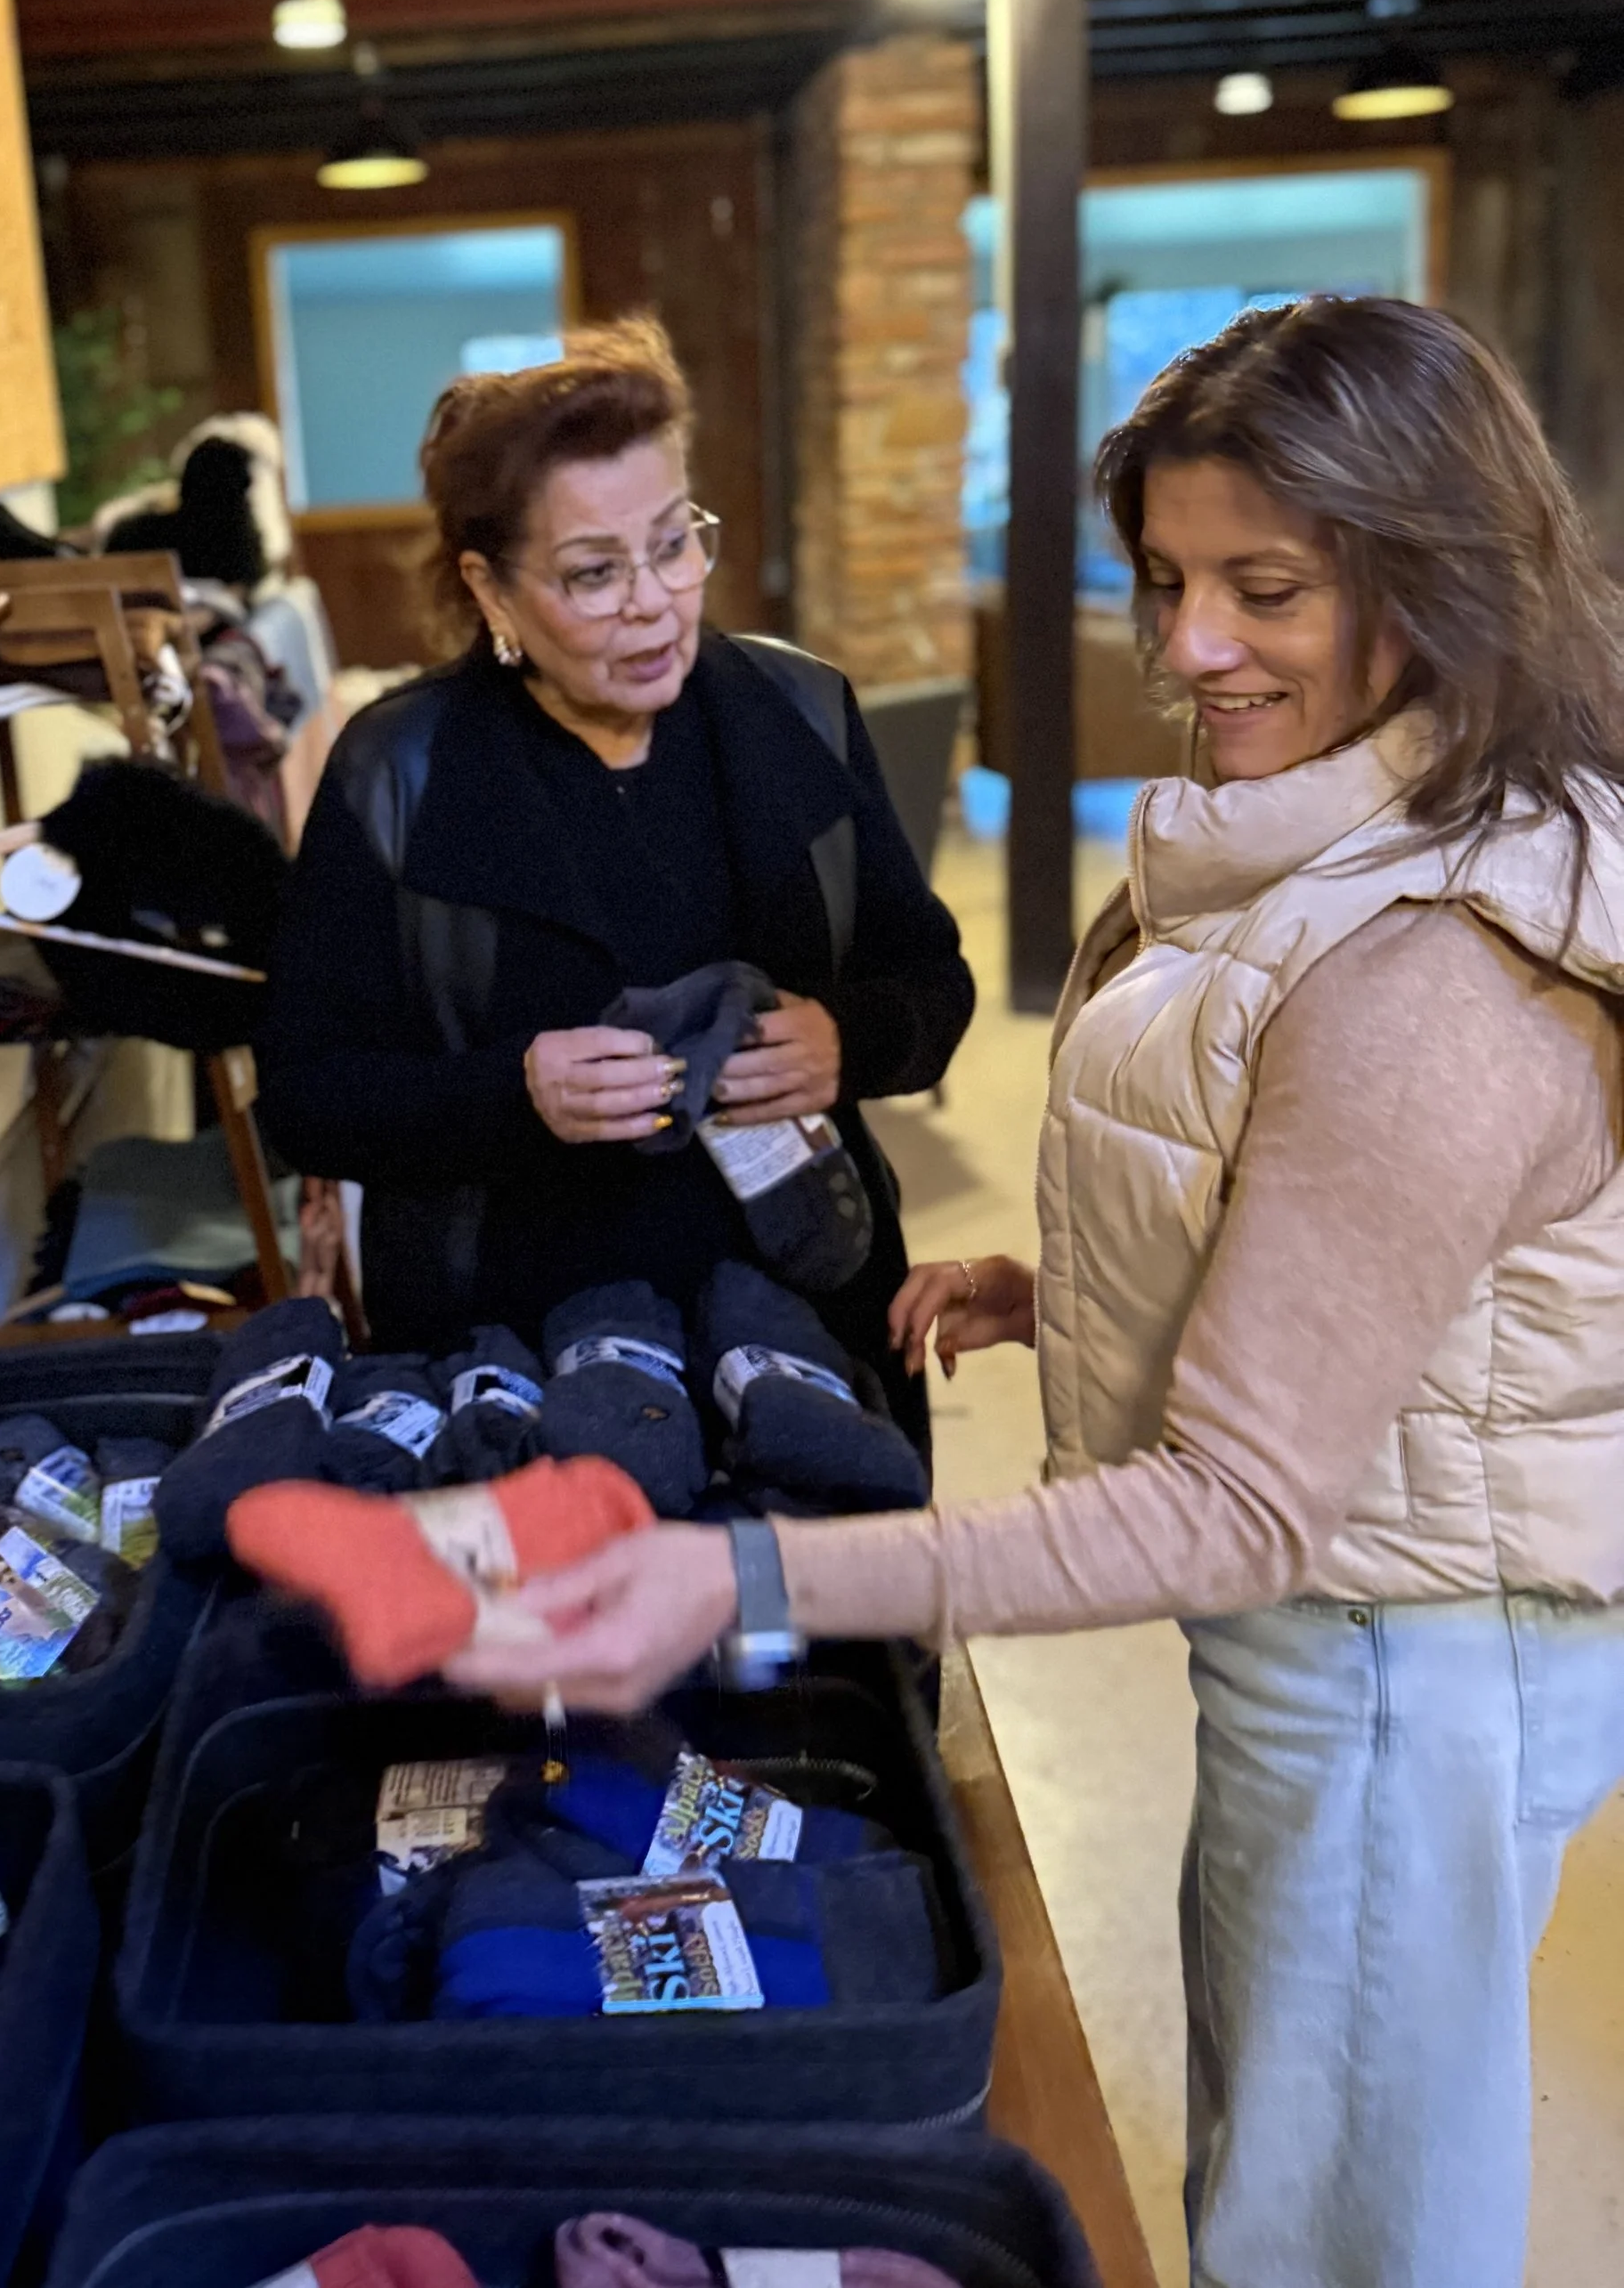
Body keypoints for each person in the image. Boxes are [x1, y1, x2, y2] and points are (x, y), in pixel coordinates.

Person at [450, 294, 1624, 2288]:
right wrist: (1058, 1282)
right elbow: (1312, 1213)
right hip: (1348, 1643)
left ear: (1436, 575)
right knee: (1295, 2156)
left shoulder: (1427, 970)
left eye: (1261, 586)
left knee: (1326, 2236)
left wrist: (733, 1579)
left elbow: (1241, 1500)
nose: (1181, 648)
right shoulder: (1331, 840)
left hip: (1388, 1661)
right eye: (1163, 580)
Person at [256, 320, 972, 1440]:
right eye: (593, 573)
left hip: (804, 1314)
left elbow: (931, 982)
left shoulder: (801, 715)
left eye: (675, 542)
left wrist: (847, 1041)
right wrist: (516, 1094)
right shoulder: (399, 769)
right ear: (490, 591)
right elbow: (307, 1099)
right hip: (513, 1351)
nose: (653, 600)